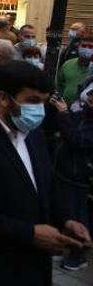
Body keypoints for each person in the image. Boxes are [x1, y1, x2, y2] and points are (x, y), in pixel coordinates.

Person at [0, 61, 91, 285]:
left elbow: (43, 187)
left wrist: (66, 220)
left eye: (43, 101)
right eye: (32, 101)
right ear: (4, 98)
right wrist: (30, 234)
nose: (39, 110)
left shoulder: (32, 133)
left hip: (29, 267)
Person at [51, 84, 93, 271]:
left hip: (80, 177)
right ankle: (61, 244)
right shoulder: (84, 115)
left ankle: (78, 253)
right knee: (63, 212)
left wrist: (64, 115)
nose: (88, 103)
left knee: (78, 216)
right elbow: (69, 123)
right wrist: (62, 108)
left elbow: (76, 139)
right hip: (64, 171)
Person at [57, 34, 93, 105]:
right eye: (84, 46)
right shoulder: (67, 64)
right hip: (64, 107)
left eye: (90, 47)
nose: (86, 49)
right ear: (78, 47)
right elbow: (59, 85)